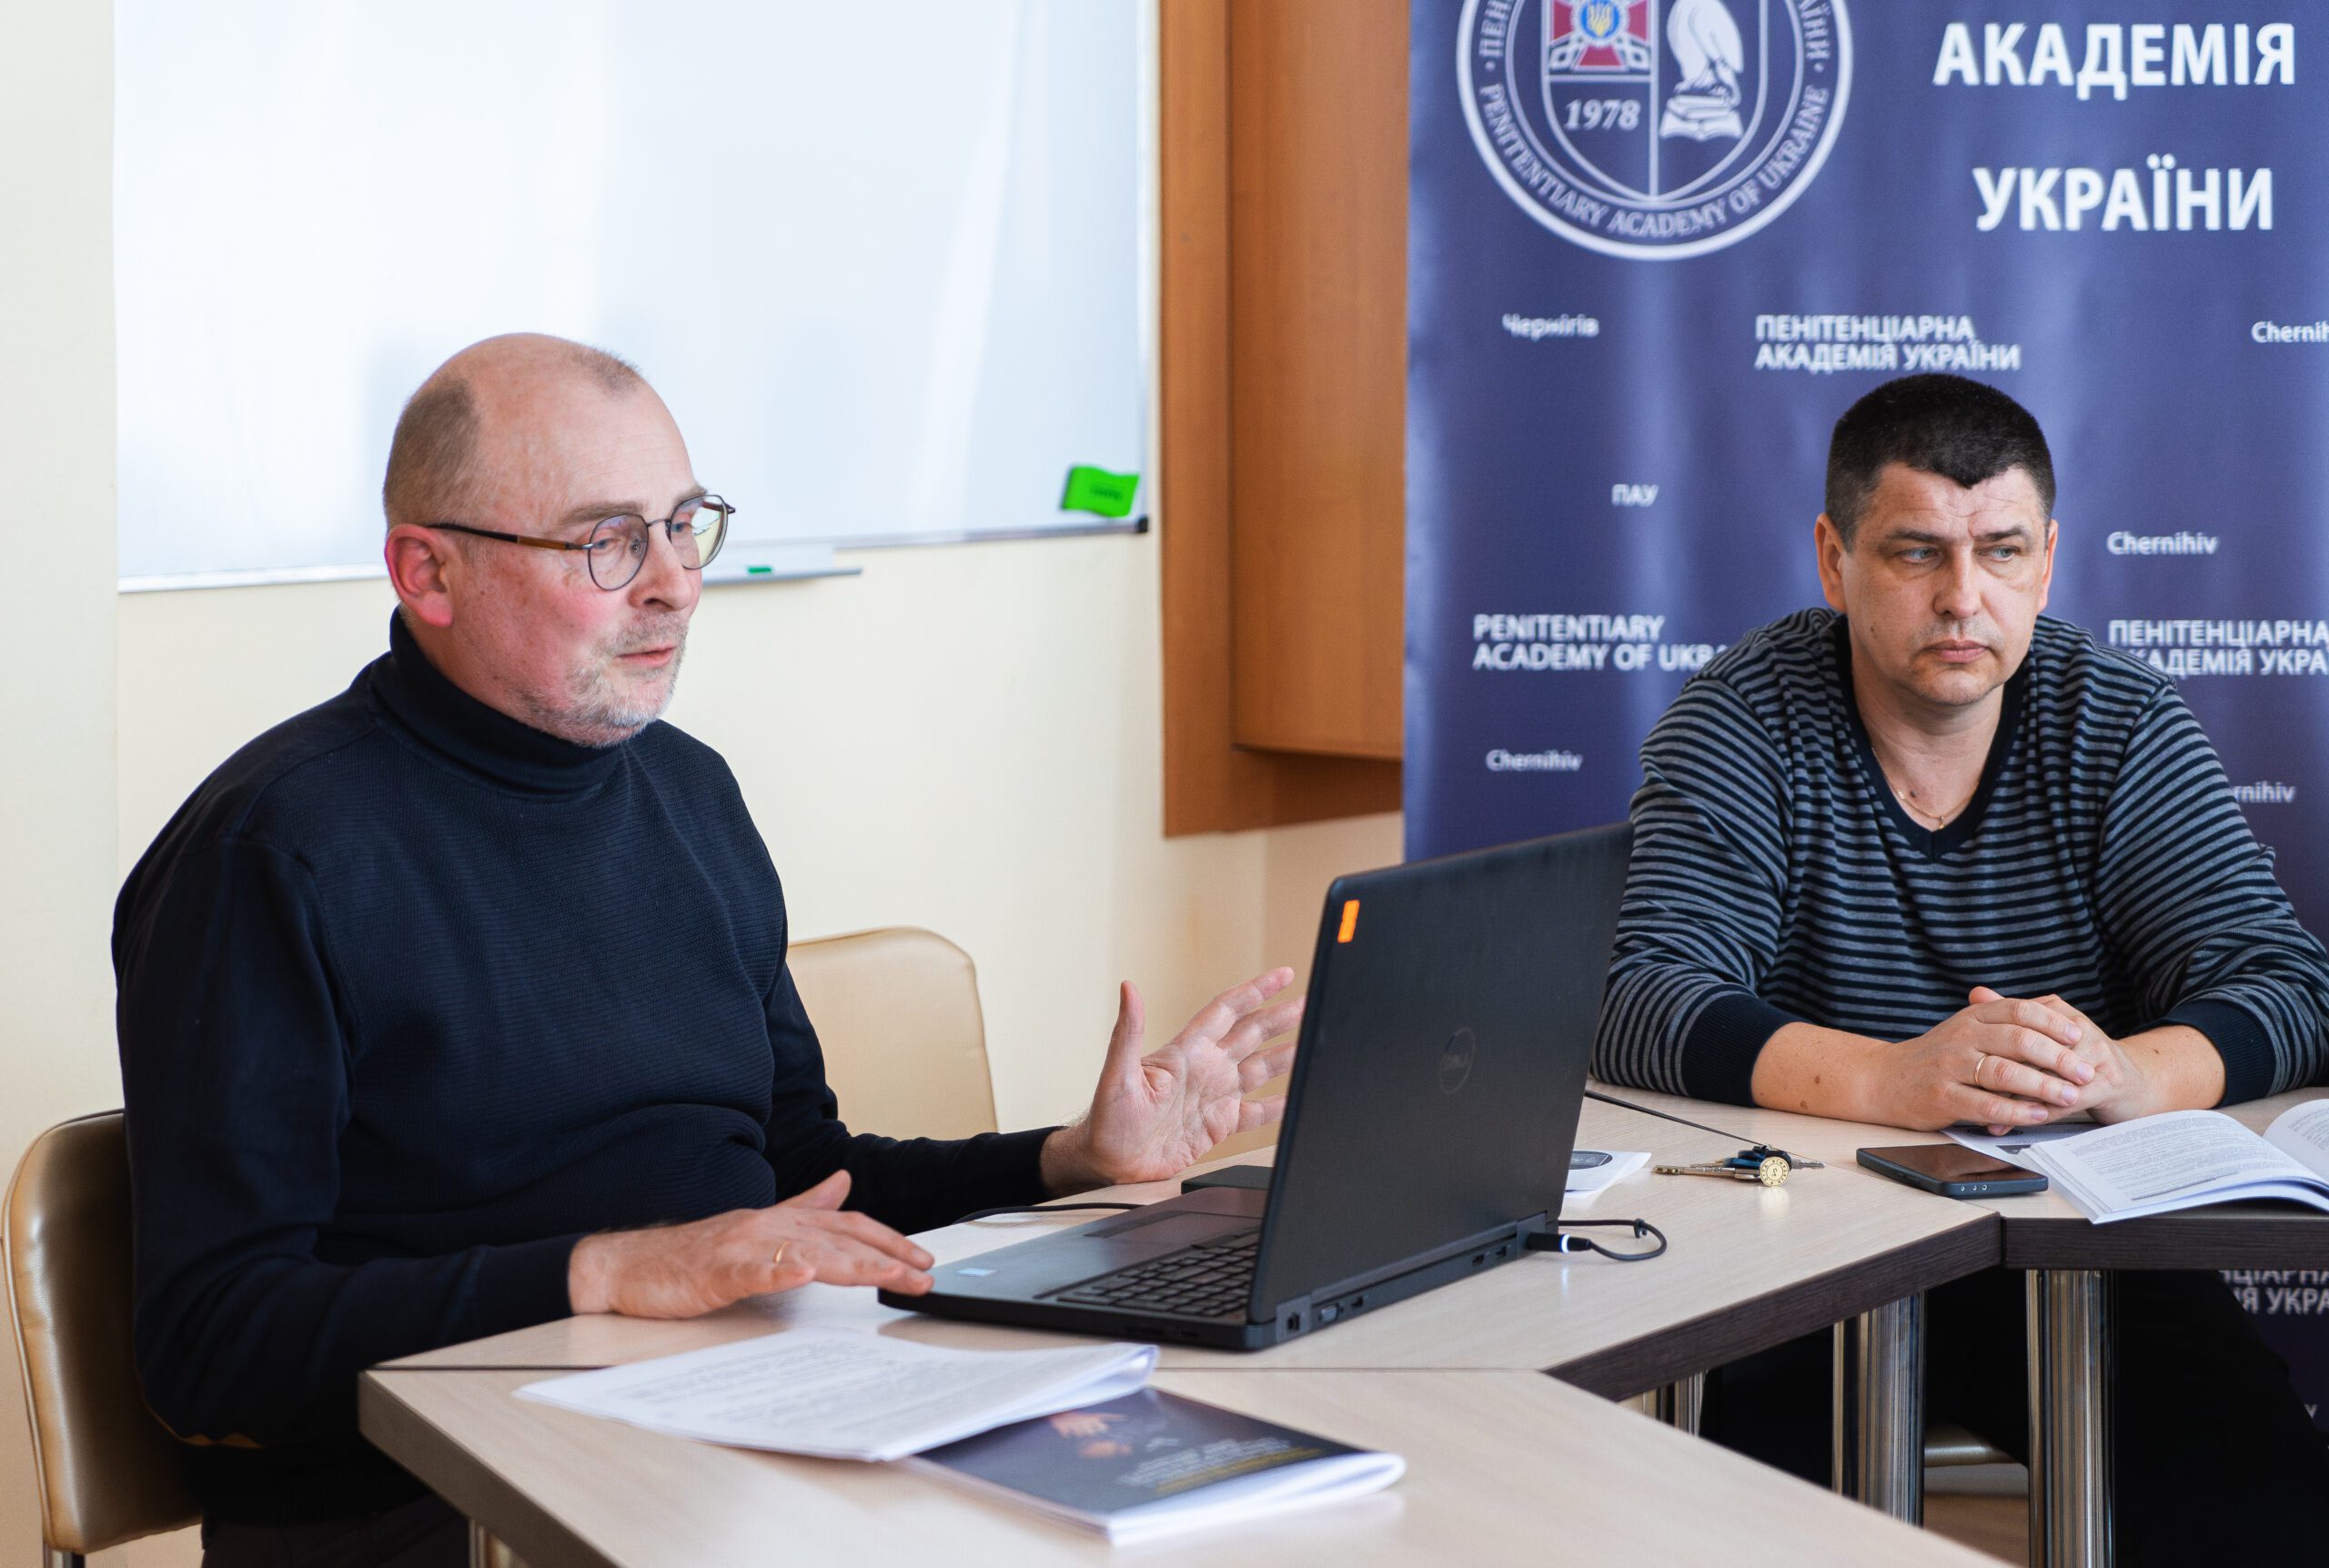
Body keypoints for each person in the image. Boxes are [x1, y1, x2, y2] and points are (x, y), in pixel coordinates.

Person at [114, 335, 1302, 1567]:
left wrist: (1069, 1160)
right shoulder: (272, 854)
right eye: (608, 540)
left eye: (685, 526)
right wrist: (606, 1272)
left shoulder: (688, 794)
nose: (676, 585)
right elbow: (212, 1346)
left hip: (752, 1418)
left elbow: (805, 1183)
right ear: (430, 573)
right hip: (434, 1497)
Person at [1594, 373, 2329, 1560]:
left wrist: (2125, 1072)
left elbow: (2287, 986)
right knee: (1736, 1538)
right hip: (1796, 1256)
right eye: (1915, 553)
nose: (1962, 598)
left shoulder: (2120, 722)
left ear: (2048, 563)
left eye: (2001, 552)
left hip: (2080, 1249)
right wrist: (1893, 1079)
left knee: (2275, 1513)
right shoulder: (1740, 719)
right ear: (1834, 561)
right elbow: (1637, 995)